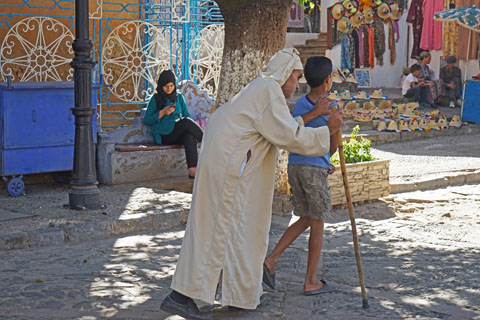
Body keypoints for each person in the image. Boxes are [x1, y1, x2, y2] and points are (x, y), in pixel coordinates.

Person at [160, 48, 343, 319]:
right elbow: (289, 135)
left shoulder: (264, 90)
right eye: (294, 79)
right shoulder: (268, 90)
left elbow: (280, 126)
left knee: (240, 230)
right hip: (227, 167)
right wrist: (327, 130)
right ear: (283, 76)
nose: (295, 85)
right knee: (214, 229)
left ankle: (241, 296)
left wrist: (313, 118)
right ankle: (181, 296)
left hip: (227, 163)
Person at [263, 56, 338, 296]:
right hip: (314, 169)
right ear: (328, 80)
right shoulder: (330, 108)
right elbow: (331, 147)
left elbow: (296, 131)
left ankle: (272, 259)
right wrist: (335, 128)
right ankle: (311, 281)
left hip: (296, 167)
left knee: (306, 217)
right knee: (318, 223)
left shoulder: (299, 106)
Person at [144, 70, 203, 178]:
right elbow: (147, 120)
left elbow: (187, 115)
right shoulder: (156, 98)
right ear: (161, 85)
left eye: (171, 85)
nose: (169, 88)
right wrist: (162, 112)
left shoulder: (179, 97)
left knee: (189, 136)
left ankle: (192, 171)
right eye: (166, 86)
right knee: (185, 122)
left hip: (177, 131)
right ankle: (207, 140)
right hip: (164, 134)